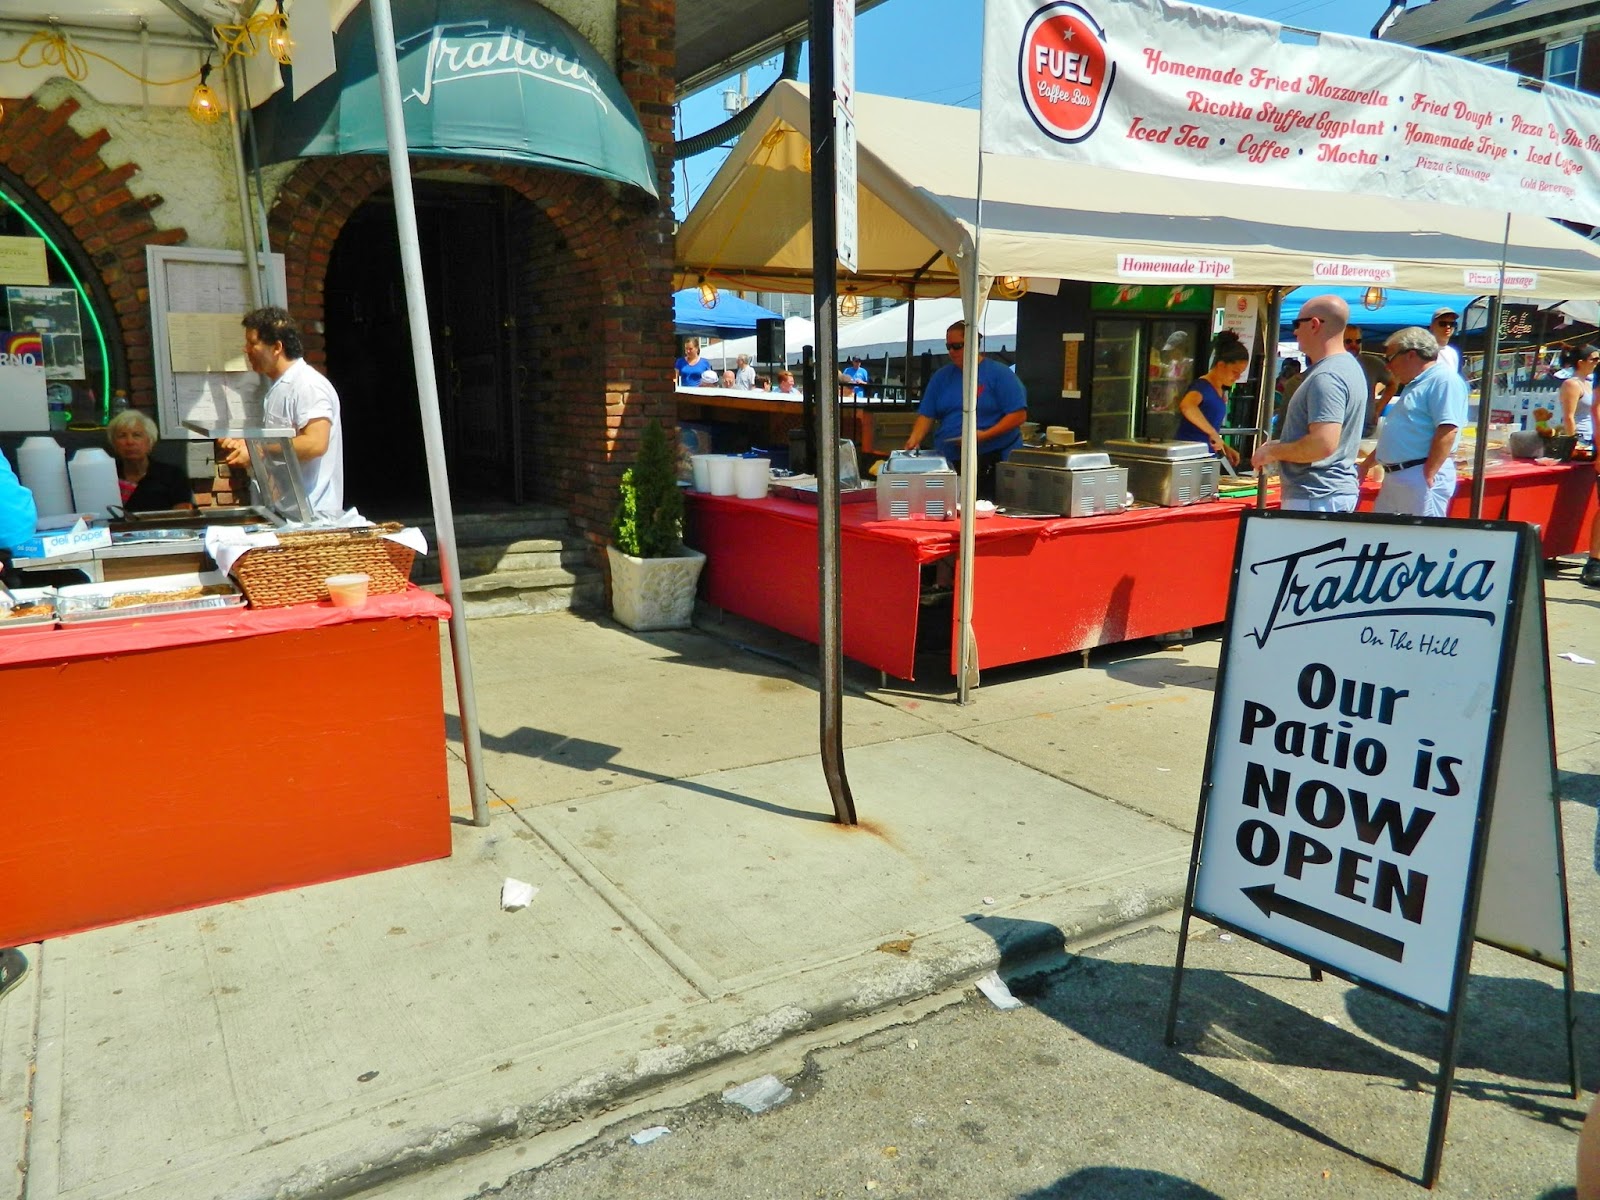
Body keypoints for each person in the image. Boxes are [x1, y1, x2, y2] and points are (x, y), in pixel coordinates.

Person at [222, 307, 345, 518]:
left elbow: (315, 444)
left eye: (252, 343)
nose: (246, 350)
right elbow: (279, 442)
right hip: (287, 513)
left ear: (277, 347)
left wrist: (258, 451)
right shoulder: (280, 386)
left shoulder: (307, 385)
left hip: (313, 517)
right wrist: (248, 444)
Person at [1251, 294, 1367, 512]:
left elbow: (1322, 443)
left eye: (1297, 324)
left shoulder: (1328, 376)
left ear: (1314, 325)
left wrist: (1273, 453)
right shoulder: (1346, 367)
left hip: (1316, 496)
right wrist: (1280, 445)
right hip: (1325, 494)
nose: (1294, 331)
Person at [903, 320, 1028, 500]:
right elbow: (927, 414)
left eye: (957, 346)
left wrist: (984, 435)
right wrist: (913, 441)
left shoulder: (1000, 374)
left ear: (972, 344)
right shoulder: (942, 376)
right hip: (950, 459)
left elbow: (1018, 414)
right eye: (949, 347)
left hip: (992, 459)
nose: (951, 352)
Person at [1357, 326, 1467, 517]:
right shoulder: (1417, 383)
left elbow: (1448, 430)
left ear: (1411, 355)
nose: (1388, 367)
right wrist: (1367, 464)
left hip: (1418, 474)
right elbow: (1402, 434)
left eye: (1390, 359)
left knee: (1421, 540)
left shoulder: (1443, 380)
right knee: (1385, 537)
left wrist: (1429, 474)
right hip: (1401, 476)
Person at [1173, 330, 1246, 465]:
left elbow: (1208, 427)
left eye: (1240, 373)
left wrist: (1225, 446)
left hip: (1205, 457)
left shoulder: (1218, 390)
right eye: (1235, 372)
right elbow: (1187, 406)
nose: (1237, 377)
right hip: (1189, 458)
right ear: (1221, 365)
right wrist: (1213, 433)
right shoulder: (1202, 386)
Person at [107, 408, 194, 512]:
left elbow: (183, 515)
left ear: (150, 442)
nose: (129, 442)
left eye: (137, 435)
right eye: (122, 436)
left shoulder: (173, 475)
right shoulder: (106, 475)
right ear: (114, 444)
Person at [1342, 323, 1394, 436]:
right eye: (1348, 341)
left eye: (1358, 341)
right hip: (1338, 431)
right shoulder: (1329, 365)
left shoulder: (1372, 363)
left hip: (1364, 429)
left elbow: (1393, 383)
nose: (1354, 345)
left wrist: (1378, 409)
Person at [1558, 344, 1598, 443]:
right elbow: (1568, 417)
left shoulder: (1590, 382)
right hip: (1582, 438)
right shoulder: (1572, 384)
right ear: (1581, 363)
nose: (1598, 362)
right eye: (1594, 359)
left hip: (1594, 437)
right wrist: (1574, 443)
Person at [1430, 307, 1460, 377]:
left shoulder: (1453, 353)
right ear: (1432, 327)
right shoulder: (1424, 350)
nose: (1448, 327)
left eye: (1452, 324)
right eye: (1443, 323)